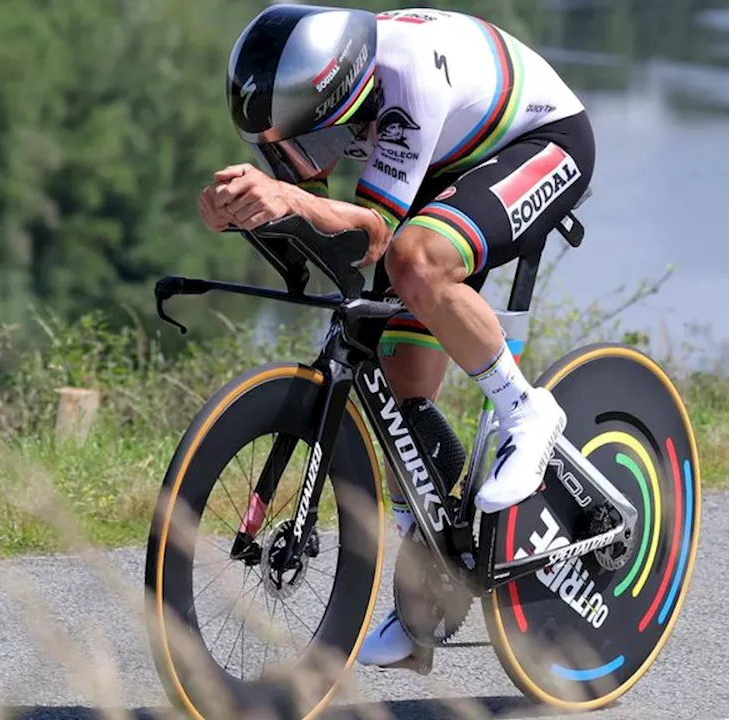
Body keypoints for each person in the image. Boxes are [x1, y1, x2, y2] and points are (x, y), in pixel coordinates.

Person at [197, 4, 595, 669]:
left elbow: (376, 235)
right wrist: (239, 209)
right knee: (395, 393)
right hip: (443, 160)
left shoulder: (407, 78)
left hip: (538, 141)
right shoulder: (302, 94)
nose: (286, 148)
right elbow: (320, 224)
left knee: (415, 259)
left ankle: (527, 410)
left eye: (295, 135)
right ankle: (427, 581)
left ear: (337, 96)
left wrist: (291, 201)